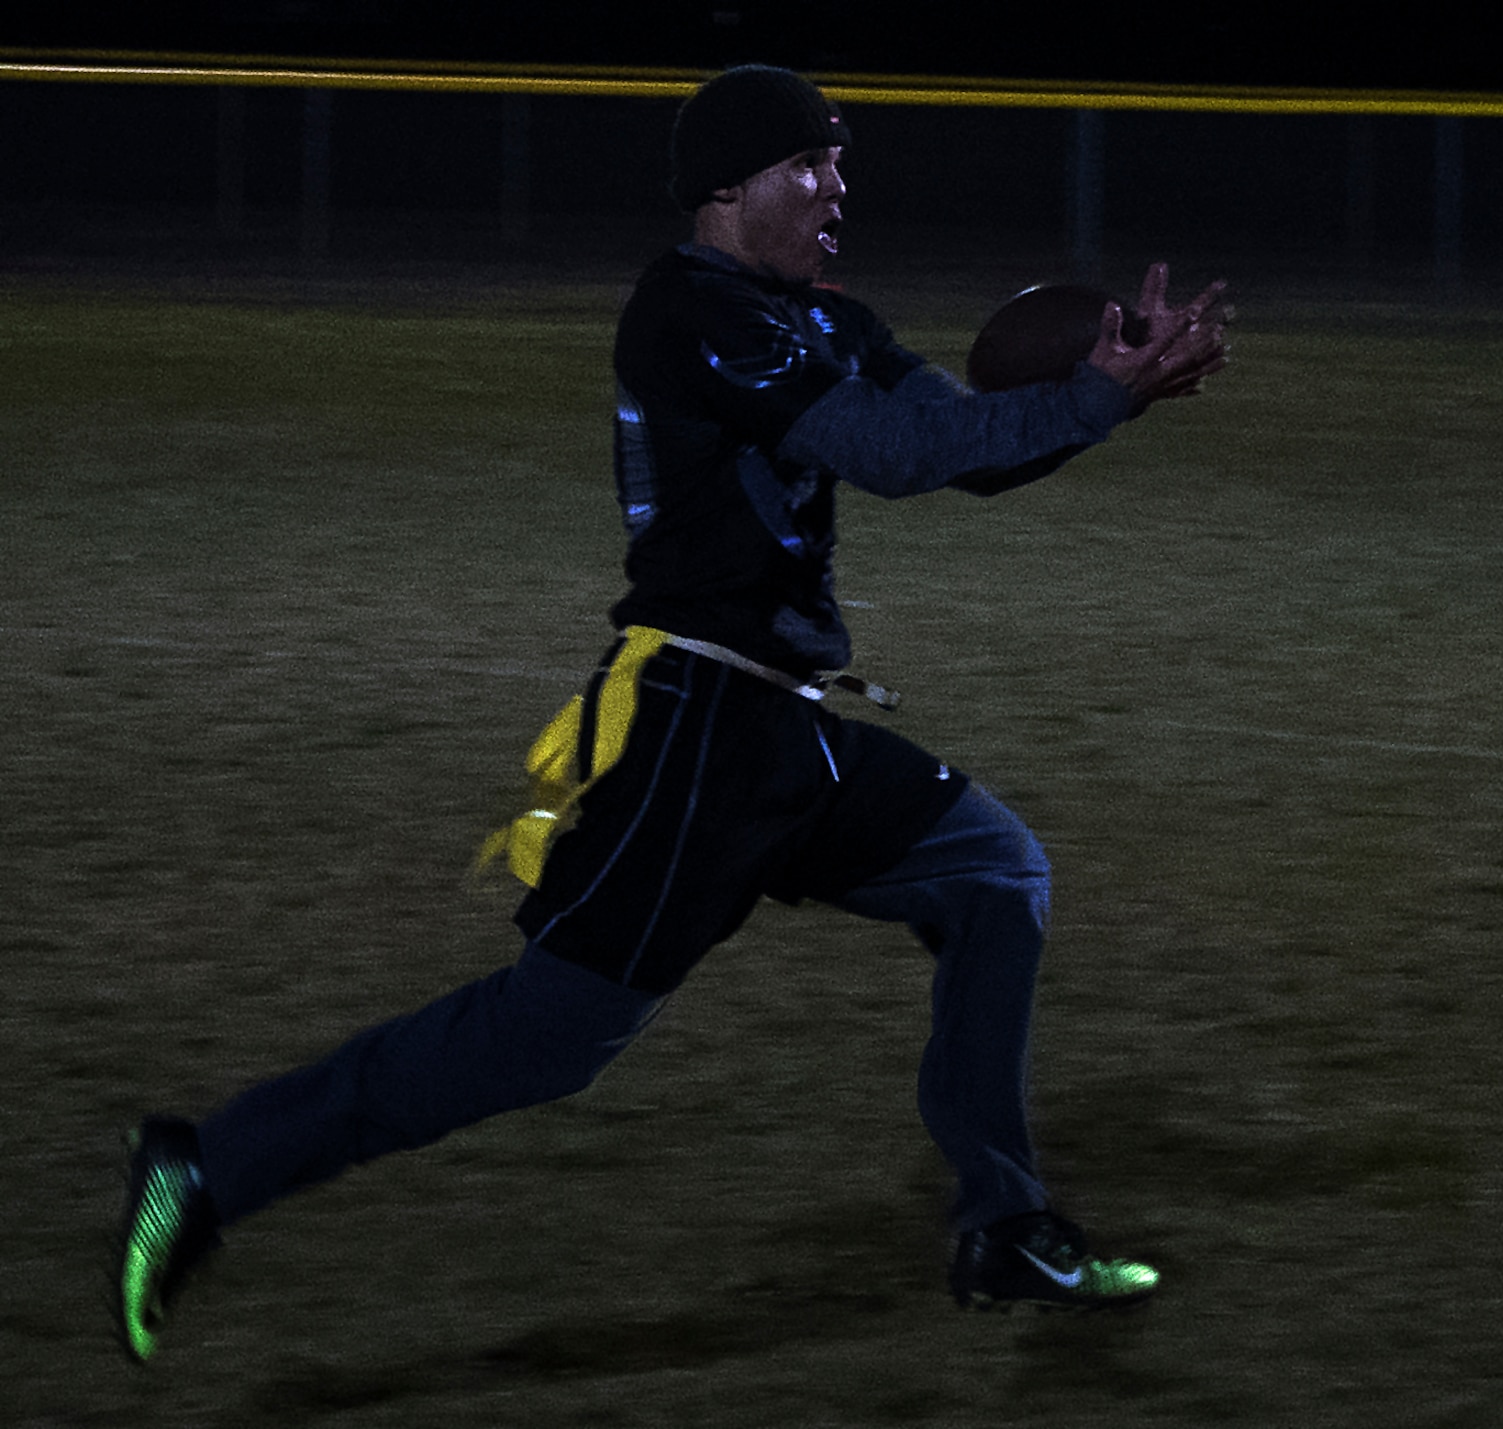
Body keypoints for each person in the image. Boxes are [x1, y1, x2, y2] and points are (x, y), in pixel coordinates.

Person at [116, 63, 1229, 1361]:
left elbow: (954, 437)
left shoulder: (827, 317)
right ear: (726, 189)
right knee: (543, 1040)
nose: (837, 186)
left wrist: (1105, 391)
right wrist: (1092, 400)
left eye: (841, 162)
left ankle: (1003, 1222)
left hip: (789, 731)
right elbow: (886, 455)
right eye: (809, 164)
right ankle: (206, 1169)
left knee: (996, 872)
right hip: (698, 730)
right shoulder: (689, 310)